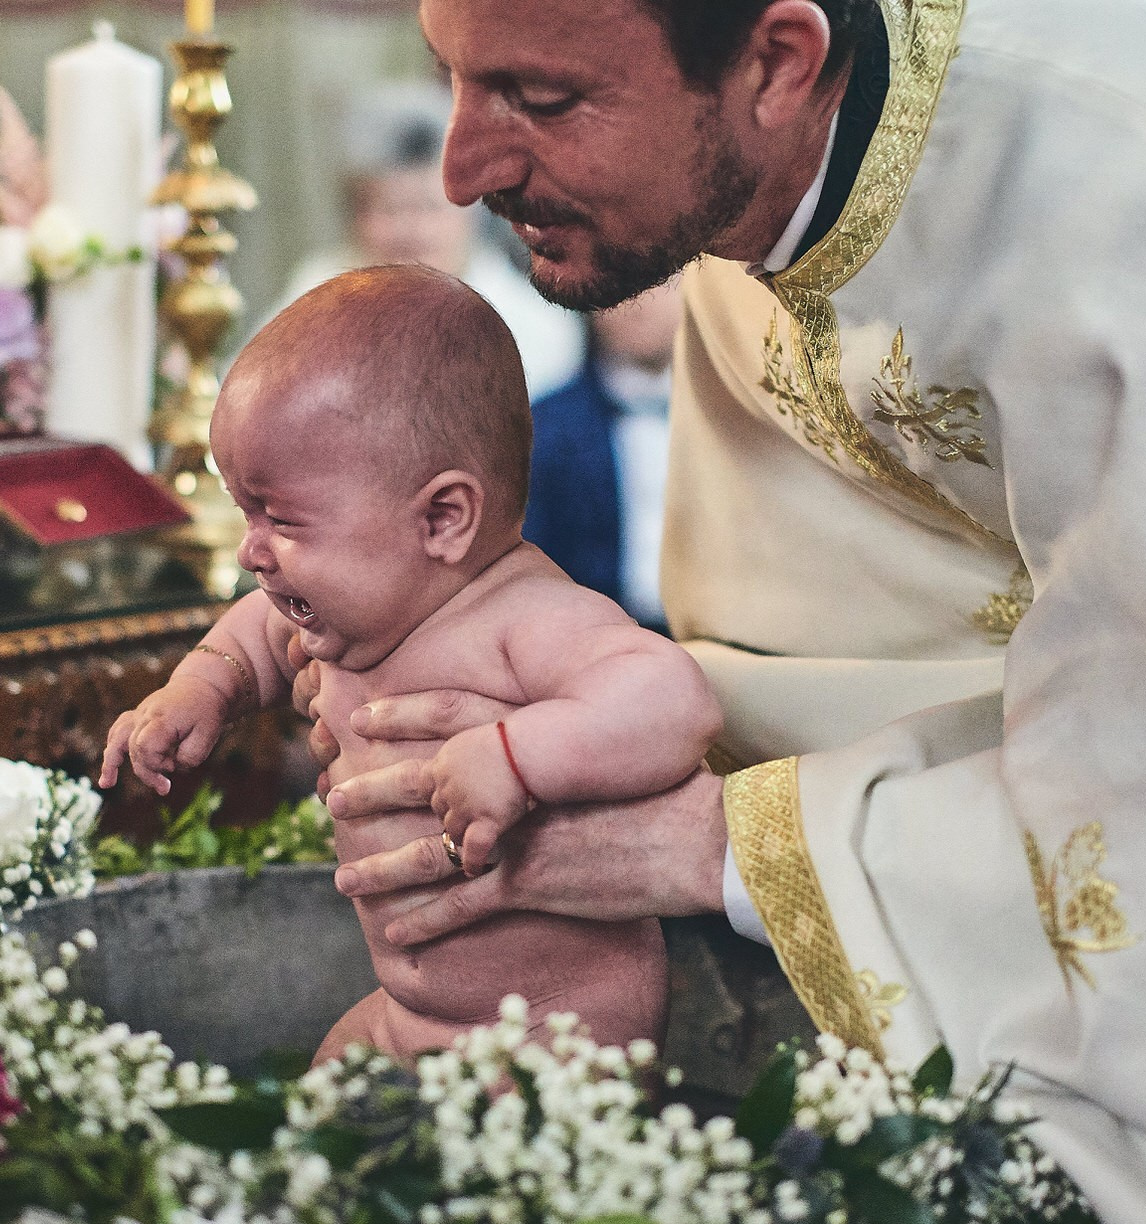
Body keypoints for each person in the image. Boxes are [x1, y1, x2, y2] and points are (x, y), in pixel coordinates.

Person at [301, 1, 1146, 1224]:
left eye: (543, 99)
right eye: (452, 79)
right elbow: (833, 639)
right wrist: (532, 716)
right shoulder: (734, 186)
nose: (462, 167)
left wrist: (712, 841)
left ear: (779, 61)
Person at [102, 266, 715, 1061]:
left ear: (442, 518)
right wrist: (204, 683)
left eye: (281, 518)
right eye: (245, 511)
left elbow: (672, 700)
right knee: (328, 1088)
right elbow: (252, 631)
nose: (253, 551)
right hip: (408, 1010)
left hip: (555, 1025)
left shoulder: (521, 618)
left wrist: (517, 757)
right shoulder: (345, 614)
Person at [274, 83, 584, 400]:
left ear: (475, 213)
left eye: (429, 207)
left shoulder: (534, 324)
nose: (410, 230)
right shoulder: (312, 296)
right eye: (389, 208)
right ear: (355, 217)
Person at [523, 276, 681, 628]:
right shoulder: (545, 426)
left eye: (661, 281)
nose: (640, 301)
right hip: (591, 638)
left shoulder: (730, 417)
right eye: (623, 285)